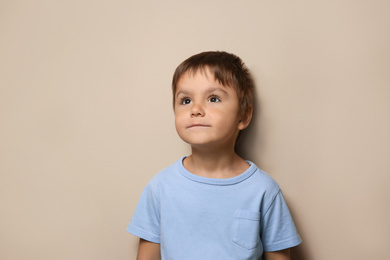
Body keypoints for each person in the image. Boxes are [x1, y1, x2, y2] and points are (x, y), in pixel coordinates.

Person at [127, 51, 302, 260]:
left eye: (213, 98)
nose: (196, 109)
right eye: (185, 100)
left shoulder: (264, 191)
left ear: (243, 115)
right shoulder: (160, 188)